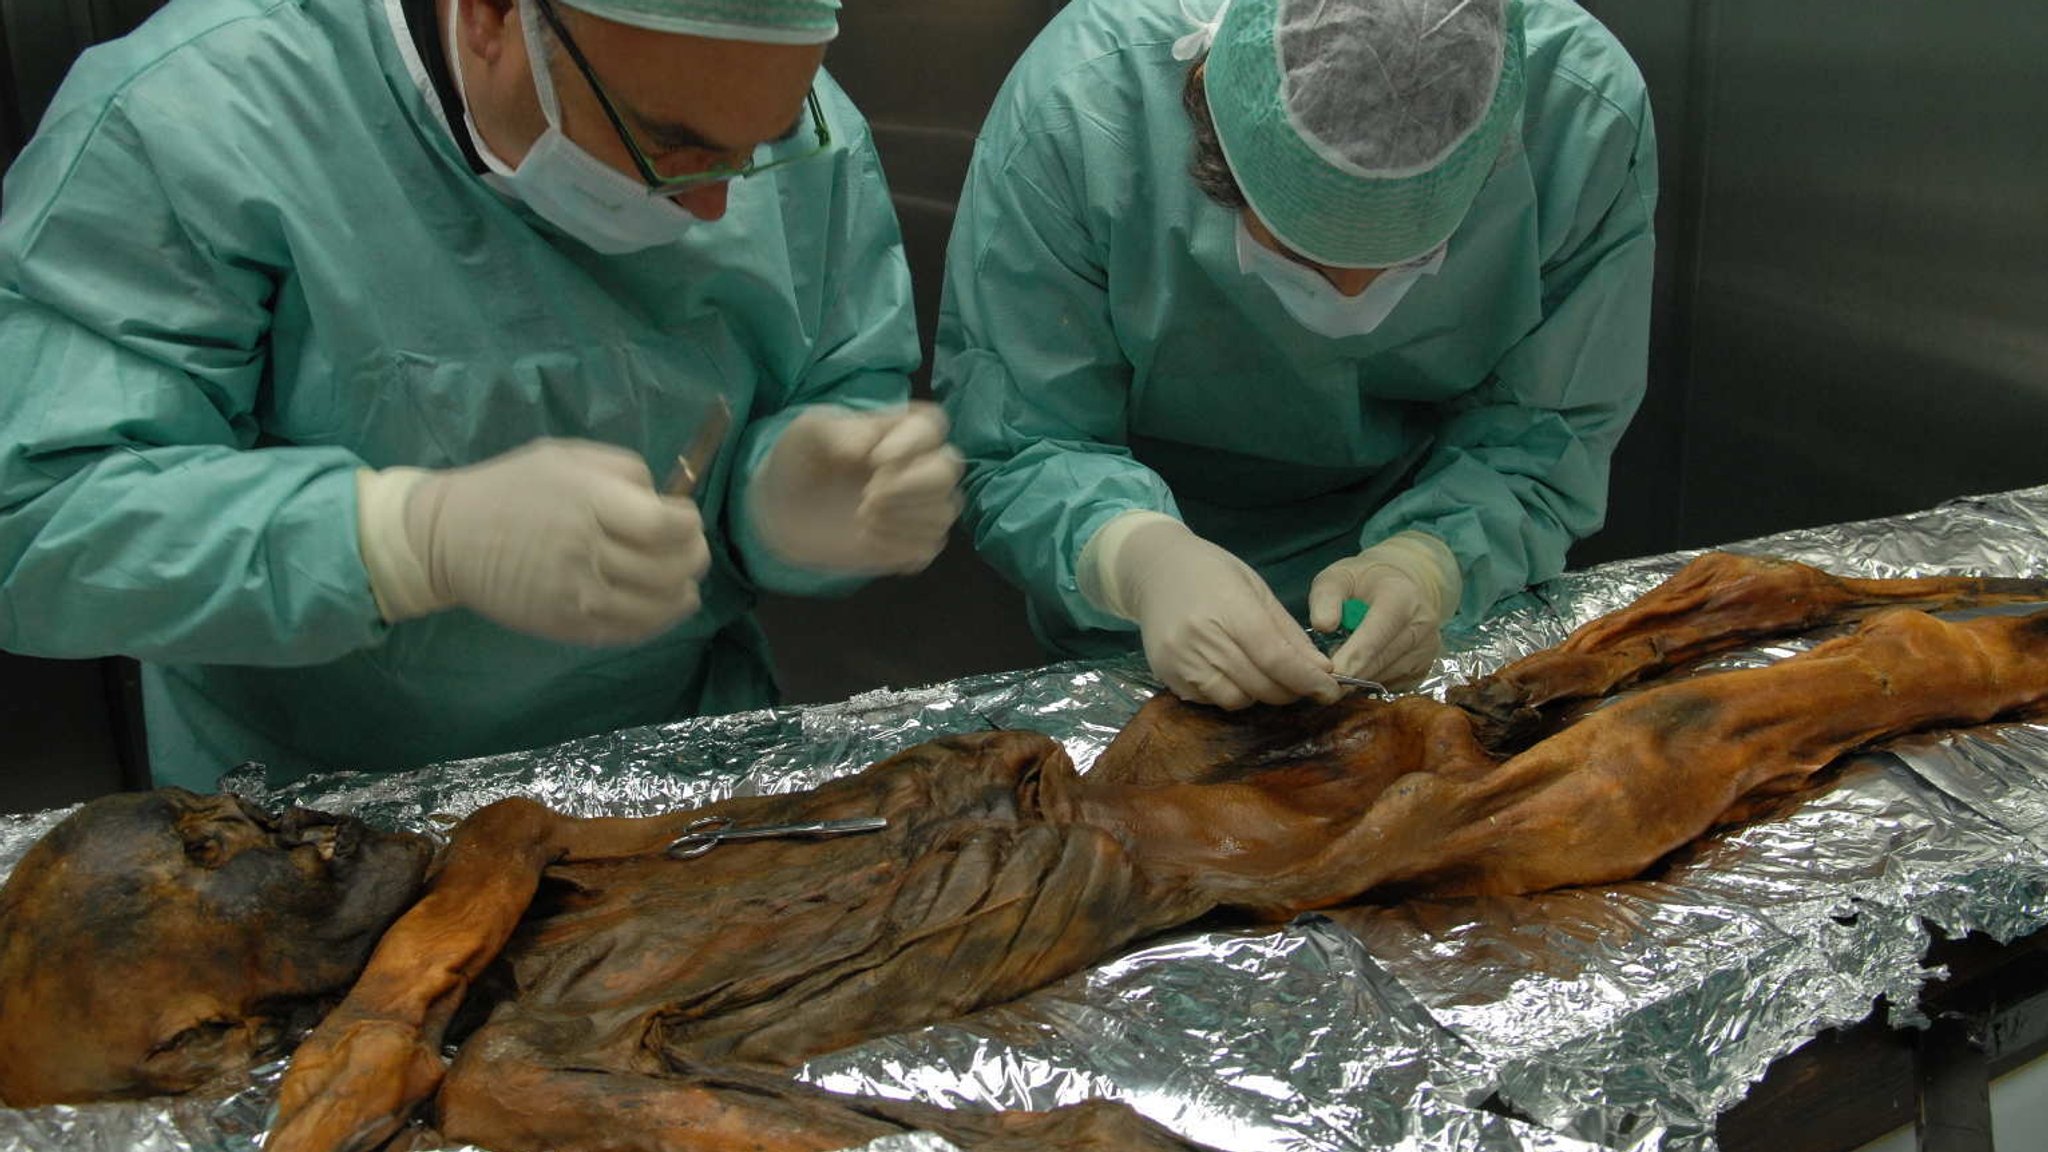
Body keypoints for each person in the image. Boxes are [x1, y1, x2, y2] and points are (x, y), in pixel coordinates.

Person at [0, 0, 964, 787]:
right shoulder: (206, 118)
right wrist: (404, 539)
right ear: (495, 18)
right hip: (310, 811)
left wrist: (781, 504)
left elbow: (836, 380)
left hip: (676, 770)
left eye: (759, 150)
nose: (718, 203)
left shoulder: (760, 111)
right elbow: (38, 519)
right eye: (668, 147)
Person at [934, 0, 1657, 710]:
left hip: (1429, 607)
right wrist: (1138, 558)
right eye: (1302, 251)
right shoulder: (1089, 103)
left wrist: (1434, 562)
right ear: (1209, 121)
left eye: (1408, 256)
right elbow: (1021, 433)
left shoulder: (1579, 115)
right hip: (1130, 620)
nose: (1350, 300)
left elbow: (1547, 430)